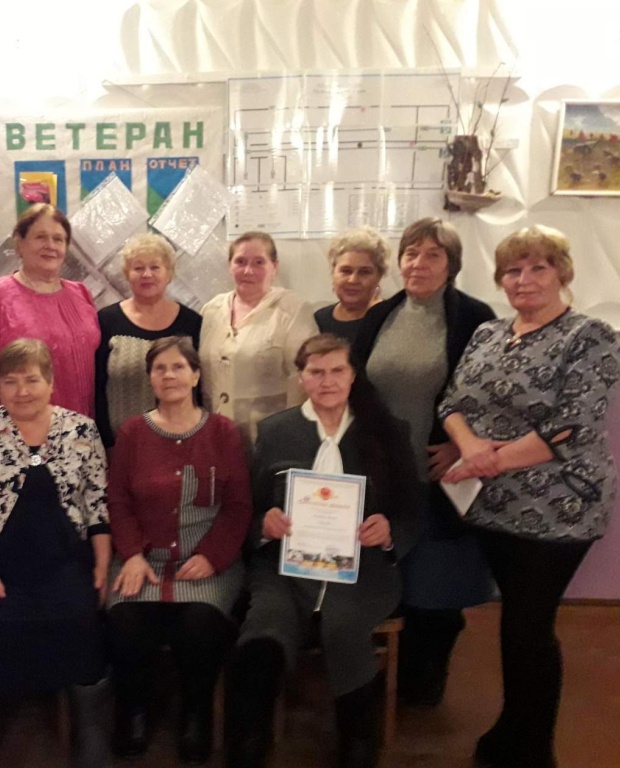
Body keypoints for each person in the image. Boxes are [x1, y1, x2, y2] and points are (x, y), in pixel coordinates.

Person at [439, 226, 620, 768]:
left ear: (561, 272)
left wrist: (487, 460)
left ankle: (533, 749)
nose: (524, 280)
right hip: (493, 504)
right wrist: (472, 448)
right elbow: (452, 403)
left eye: (538, 267)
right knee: (516, 623)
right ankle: (511, 730)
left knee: (528, 625)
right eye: (513, 271)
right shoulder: (488, 333)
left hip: (562, 504)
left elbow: (572, 426)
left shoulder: (591, 336)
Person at [224, 334, 419, 768]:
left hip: (362, 569)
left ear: (353, 376)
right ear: (301, 378)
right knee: (264, 630)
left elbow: (412, 511)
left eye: (337, 371)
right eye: (316, 372)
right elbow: (249, 508)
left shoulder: (388, 431)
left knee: (343, 625)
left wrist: (389, 532)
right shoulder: (275, 431)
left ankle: (358, 739)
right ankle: (249, 740)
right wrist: (264, 524)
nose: (327, 381)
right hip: (284, 568)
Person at [0, 339, 111, 767]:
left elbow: (98, 506)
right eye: (10, 382)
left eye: (31, 380)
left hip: (63, 562)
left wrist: (103, 566)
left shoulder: (81, 430)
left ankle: (89, 721)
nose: (22, 391)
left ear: (50, 383)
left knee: (81, 619)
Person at [351, 216, 495, 707]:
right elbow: (358, 388)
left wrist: (462, 444)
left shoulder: (474, 318)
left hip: (439, 474)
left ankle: (425, 679)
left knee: (435, 587)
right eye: (411, 253)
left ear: (452, 265)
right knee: (388, 579)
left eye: (433, 254)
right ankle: (388, 676)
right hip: (383, 473)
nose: (419, 263)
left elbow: (491, 393)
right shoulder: (381, 315)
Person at [107, 336, 252, 765]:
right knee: (125, 623)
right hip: (144, 559)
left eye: (178, 367)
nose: (169, 375)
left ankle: (196, 712)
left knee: (200, 626)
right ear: (150, 379)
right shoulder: (132, 432)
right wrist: (132, 554)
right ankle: (135, 708)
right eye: (159, 369)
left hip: (206, 559)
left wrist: (212, 555)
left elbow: (238, 505)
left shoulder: (223, 432)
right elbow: (118, 502)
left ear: (195, 375)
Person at [0, 204, 100, 417]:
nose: (50, 245)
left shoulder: (81, 293)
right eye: (40, 237)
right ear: (19, 244)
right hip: (19, 427)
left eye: (58, 239)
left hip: (81, 427)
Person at [200, 231, 317, 450]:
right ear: (229, 265)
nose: (248, 270)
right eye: (240, 261)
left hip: (270, 439)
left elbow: (303, 376)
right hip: (215, 438)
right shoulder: (211, 310)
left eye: (259, 262)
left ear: (275, 267)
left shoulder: (292, 310)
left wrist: (291, 435)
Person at [95, 233, 202, 447]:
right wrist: (107, 443)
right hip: (122, 445)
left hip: (182, 442)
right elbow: (97, 387)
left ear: (169, 273)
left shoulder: (192, 323)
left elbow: (200, 388)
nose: (147, 274)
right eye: (138, 268)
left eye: (155, 267)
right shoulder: (106, 321)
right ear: (127, 273)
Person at [314, 227, 390, 341]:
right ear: (333, 272)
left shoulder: (390, 320)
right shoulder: (318, 321)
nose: (353, 280)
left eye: (364, 272)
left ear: (379, 276)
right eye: (346, 271)